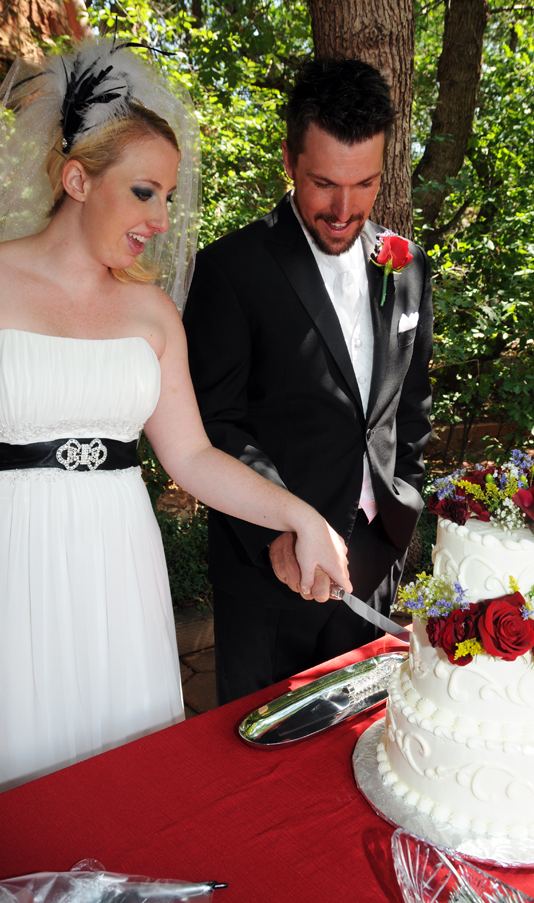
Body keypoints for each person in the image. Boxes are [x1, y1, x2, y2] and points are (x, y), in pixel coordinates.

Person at [0, 41, 352, 800]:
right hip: (2, 554)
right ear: (78, 178)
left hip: (117, 558)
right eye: (145, 191)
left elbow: (192, 456)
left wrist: (301, 515)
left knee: (124, 781)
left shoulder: (151, 314)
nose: (161, 219)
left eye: (169, 198)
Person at [183, 58, 433, 704]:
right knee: (263, 763)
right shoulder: (231, 270)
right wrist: (278, 533)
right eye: (324, 183)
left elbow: (410, 409)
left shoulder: (406, 269)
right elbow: (215, 423)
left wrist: (401, 508)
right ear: (290, 159)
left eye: (365, 184)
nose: (344, 208)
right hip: (269, 574)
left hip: (376, 561)